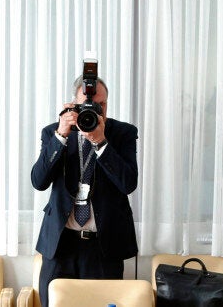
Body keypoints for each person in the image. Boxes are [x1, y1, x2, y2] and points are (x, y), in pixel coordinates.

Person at [31, 76, 138, 307]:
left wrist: (101, 142)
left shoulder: (123, 134)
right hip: (60, 244)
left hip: (104, 246)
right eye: (88, 105)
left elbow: (128, 183)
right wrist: (60, 136)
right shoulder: (54, 132)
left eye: (101, 105)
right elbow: (39, 181)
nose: (96, 110)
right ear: (73, 105)